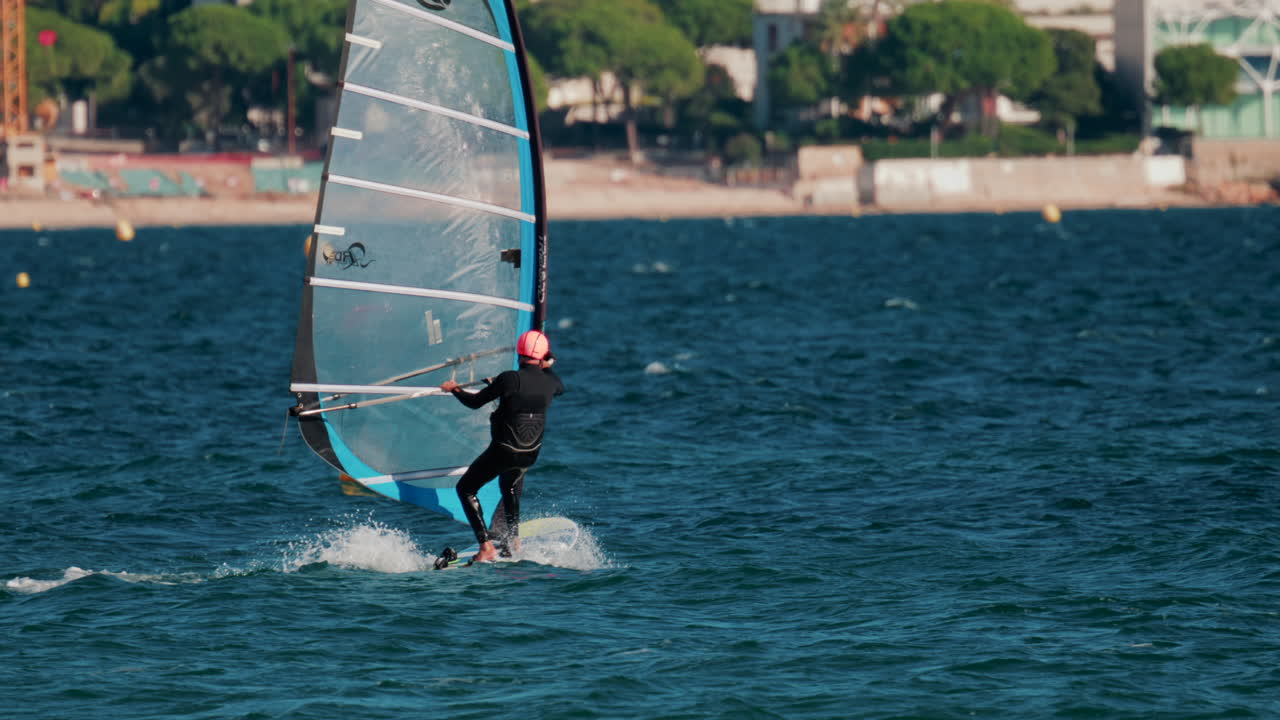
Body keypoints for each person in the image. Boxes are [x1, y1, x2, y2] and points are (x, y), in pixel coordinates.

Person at [439, 329, 565, 564]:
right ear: (543, 356)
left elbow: (474, 402)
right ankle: (513, 540)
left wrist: (454, 389)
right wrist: (547, 365)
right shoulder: (552, 382)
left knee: (466, 489)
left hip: (505, 451)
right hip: (530, 454)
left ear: (519, 351)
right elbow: (550, 386)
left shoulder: (509, 379)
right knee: (509, 486)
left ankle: (486, 547)